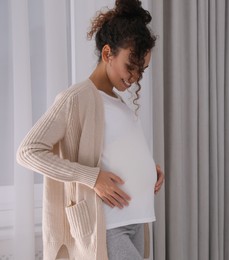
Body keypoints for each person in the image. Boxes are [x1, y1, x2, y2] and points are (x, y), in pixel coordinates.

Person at [16, 0, 163, 259]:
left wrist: (149, 170)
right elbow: (28, 151)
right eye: (131, 66)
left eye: (142, 70)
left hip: (136, 220)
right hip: (107, 225)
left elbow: (113, 150)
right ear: (108, 54)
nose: (136, 77)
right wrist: (91, 177)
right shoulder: (76, 98)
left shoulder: (118, 102)